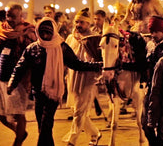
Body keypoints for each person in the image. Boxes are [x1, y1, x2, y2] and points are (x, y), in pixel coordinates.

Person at [7, 18, 102, 146]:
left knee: (46, 123)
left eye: (48, 32)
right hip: (38, 93)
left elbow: (76, 64)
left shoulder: (61, 47)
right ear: (37, 32)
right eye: (42, 32)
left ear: (54, 32)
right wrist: (12, 83)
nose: (45, 36)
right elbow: (20, 67)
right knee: (43, 126)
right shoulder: (32, 49)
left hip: (54, 92)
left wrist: (97, 65)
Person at [0, 3, 36, 146]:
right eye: (7, 15)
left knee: (18, 113)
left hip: (18, 80)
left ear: (20, 16)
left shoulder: (29, 32)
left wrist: (28, 78)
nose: (9, 18)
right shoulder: (3, 31)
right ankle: (20, 133)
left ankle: (17, 142)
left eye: (13, 16)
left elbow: (32, 57)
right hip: (2, 78)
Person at [63, 8, 103, 146]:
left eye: (82, 22)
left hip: (88, 78)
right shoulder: (70, 38)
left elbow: (100, 59)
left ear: (88, 24)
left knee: (79, 111)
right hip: (72, 77)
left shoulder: (94, 39)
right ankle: (95, 134)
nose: (78, 25)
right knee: (76, 109)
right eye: (76, 22)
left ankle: (71, 141)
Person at [142, 16, 163, 146]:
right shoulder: (149, 45)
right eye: (151, 31)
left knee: (162, 130)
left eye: (156, 31)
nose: (153, 35)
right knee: (145, 123)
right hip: (150, 90)